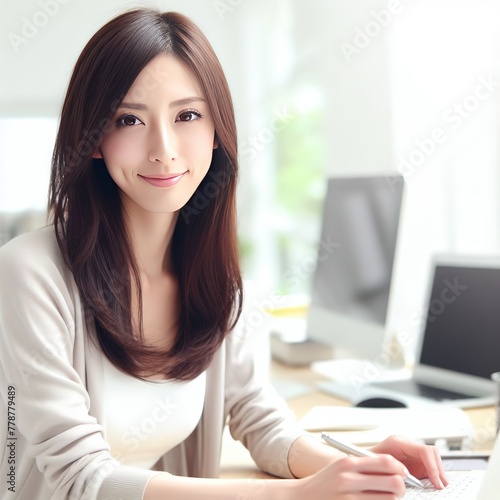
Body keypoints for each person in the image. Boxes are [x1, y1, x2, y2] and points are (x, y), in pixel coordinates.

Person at [0, 8, 448, 500]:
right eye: (128, 119)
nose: (164, 149)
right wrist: (297, 495)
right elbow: (81, 478)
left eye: (187, 116)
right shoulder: (30, 274)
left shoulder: (218, 285)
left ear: (217, 132)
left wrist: (357, 464)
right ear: (93, 141)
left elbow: (256, 413)